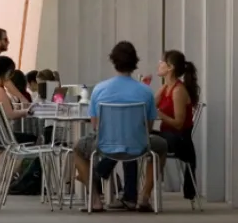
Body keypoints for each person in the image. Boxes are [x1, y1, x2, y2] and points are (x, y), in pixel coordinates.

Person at [72, 41, 168, 213]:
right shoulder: (145, 92)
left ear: (113, 61)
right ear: (135, 63)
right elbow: (148, 126)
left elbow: (95, 125)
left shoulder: (100, 89)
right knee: (161, 146)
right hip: (138, 145)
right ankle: (144, 196)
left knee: (78, 149)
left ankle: (94, 199)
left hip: (104, 146)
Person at [154, 50, 200, 202]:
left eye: (162, 62)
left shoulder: (178, 91)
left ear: (170, 67)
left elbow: (179, 124)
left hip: (179, 140)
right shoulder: (165, 88)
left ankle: (143, 192)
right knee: (140, 138)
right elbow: (150, 106)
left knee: (145, 141)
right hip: (167, 136)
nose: (159, 65)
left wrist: (160, 114)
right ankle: (139, 192)